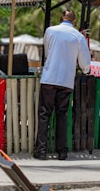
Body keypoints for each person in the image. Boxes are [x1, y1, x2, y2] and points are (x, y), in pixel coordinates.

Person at [34, 10, 91, 160]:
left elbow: (48, 52)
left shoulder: (50, 31)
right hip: (66, 80)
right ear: (74, 21)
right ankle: (62, 152)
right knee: (62, 115)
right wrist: (85, 70)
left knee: (44, 115)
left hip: (49, 77)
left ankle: (41, 151)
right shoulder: (78, 36)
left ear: (61, 18)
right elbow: (85, 62)